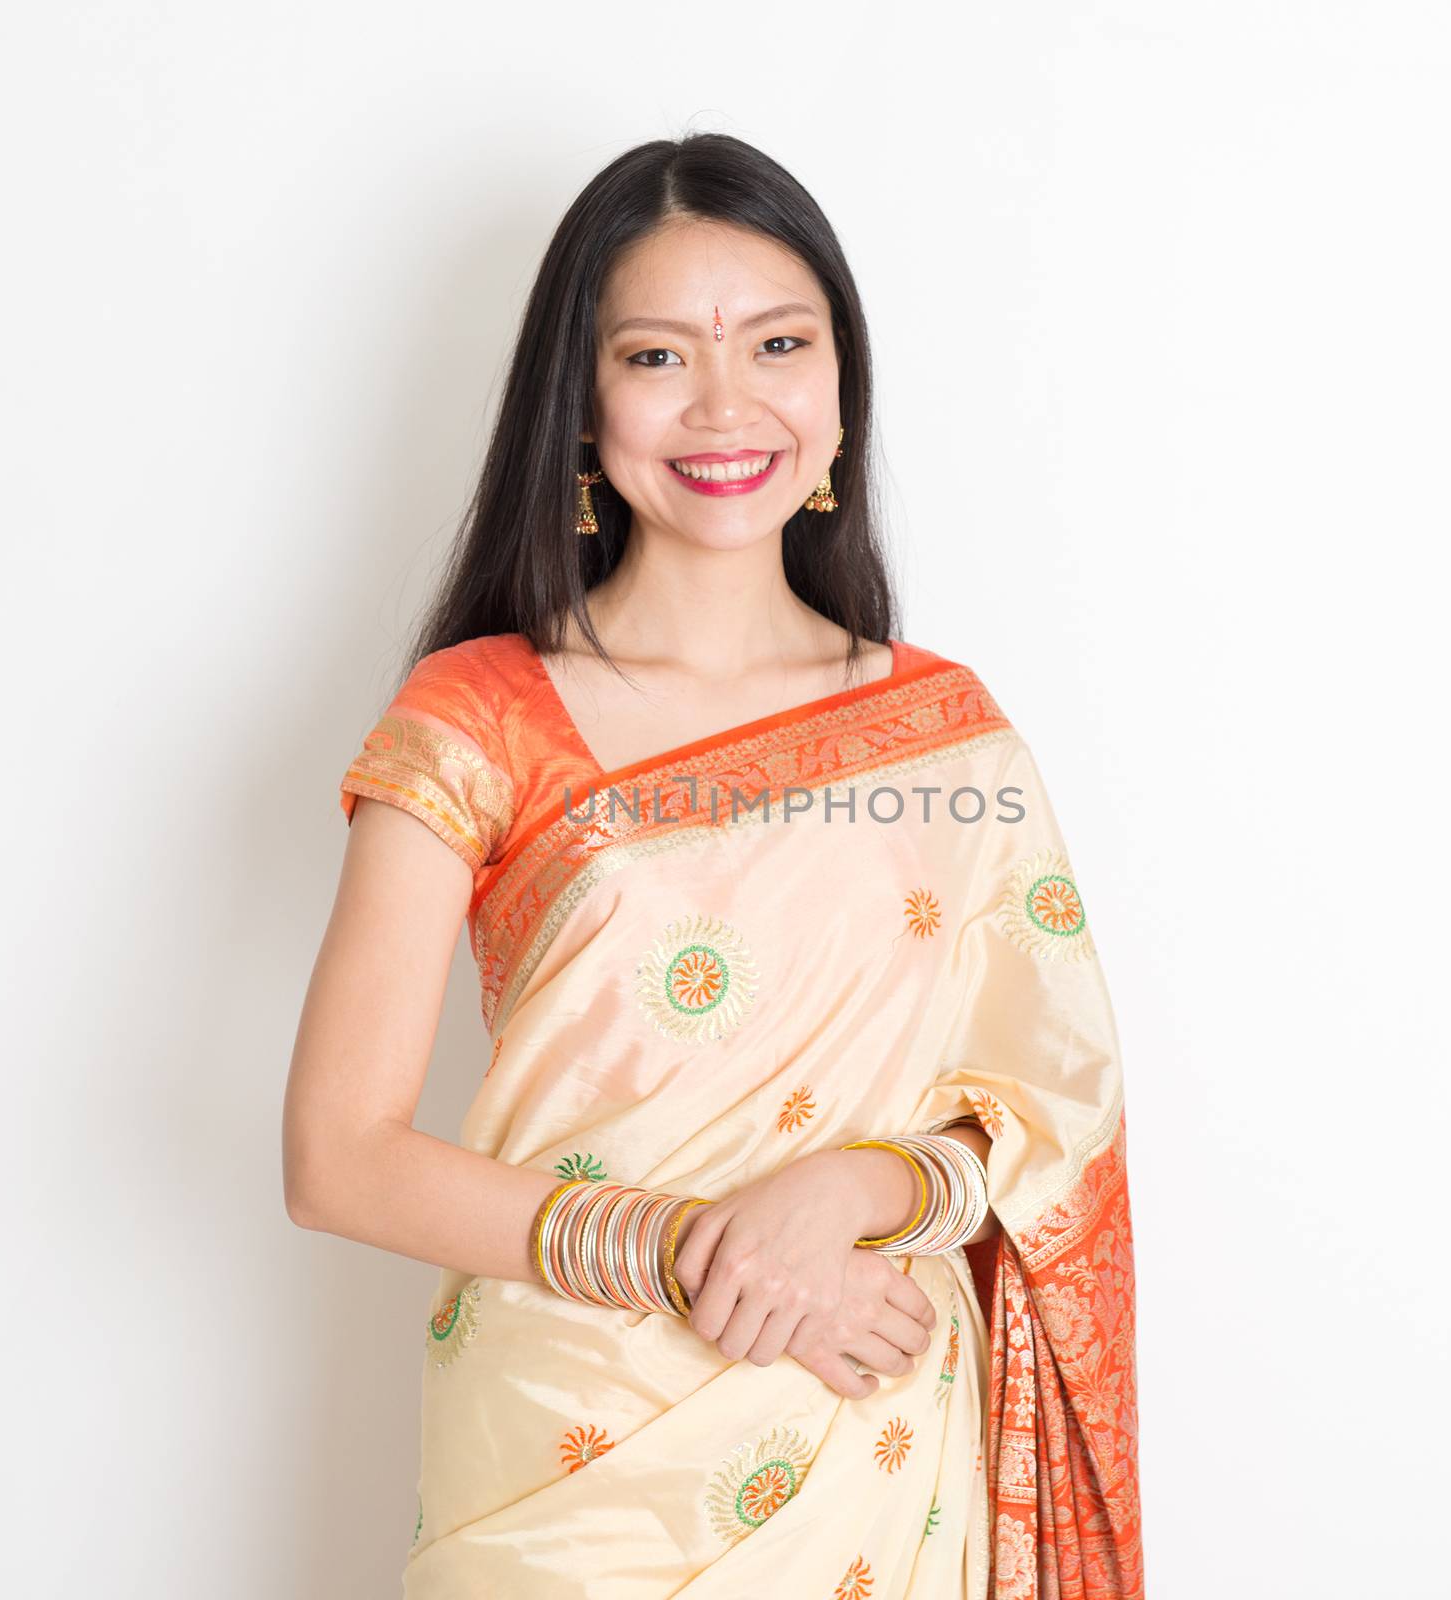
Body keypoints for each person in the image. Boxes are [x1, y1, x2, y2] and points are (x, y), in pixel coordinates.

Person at [284, 131, 1143, 1598]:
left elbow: (1050, 1127)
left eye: (777, 344)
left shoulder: (949, 739)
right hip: (572, 1456)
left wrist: (855, 1193)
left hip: (866, 1432)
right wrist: (703, 1254)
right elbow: (336, 1158)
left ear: (839, 388)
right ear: (582, 401)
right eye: (659, 356)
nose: (727, 404)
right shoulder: (478, 713)